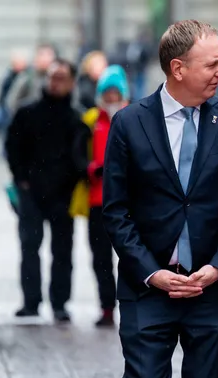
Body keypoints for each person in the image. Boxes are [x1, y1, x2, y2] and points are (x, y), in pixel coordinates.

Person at [102, 20, 218, 378]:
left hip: (213, 291)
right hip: (147, 291)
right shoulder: (129, 124)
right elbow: (115, 210)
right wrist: (150, 272)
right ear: (178, 68)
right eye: (212, 64)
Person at [5, 59, 89, 322]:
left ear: (72, 82)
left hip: (64, 194)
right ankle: (31, 302)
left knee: (62, 250)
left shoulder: (77, 117)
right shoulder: (27, 112)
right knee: (30, 247)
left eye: (62, 77)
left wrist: (74, 183)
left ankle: (60, 303)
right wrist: (22, 180)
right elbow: (13, 147)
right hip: (31, 192)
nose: (55, 82)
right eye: (52, 77)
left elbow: (81, 156)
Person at [84, 65, 130, 327]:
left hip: (127, 202)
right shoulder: (92, 121)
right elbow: (80, 155)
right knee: (100, 258)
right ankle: (106, 307)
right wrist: (92, 169)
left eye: (116, 92)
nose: (112, 97)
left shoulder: (133, 118)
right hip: (97, 200)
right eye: (108, 93)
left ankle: (132, 304)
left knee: (129, 255)